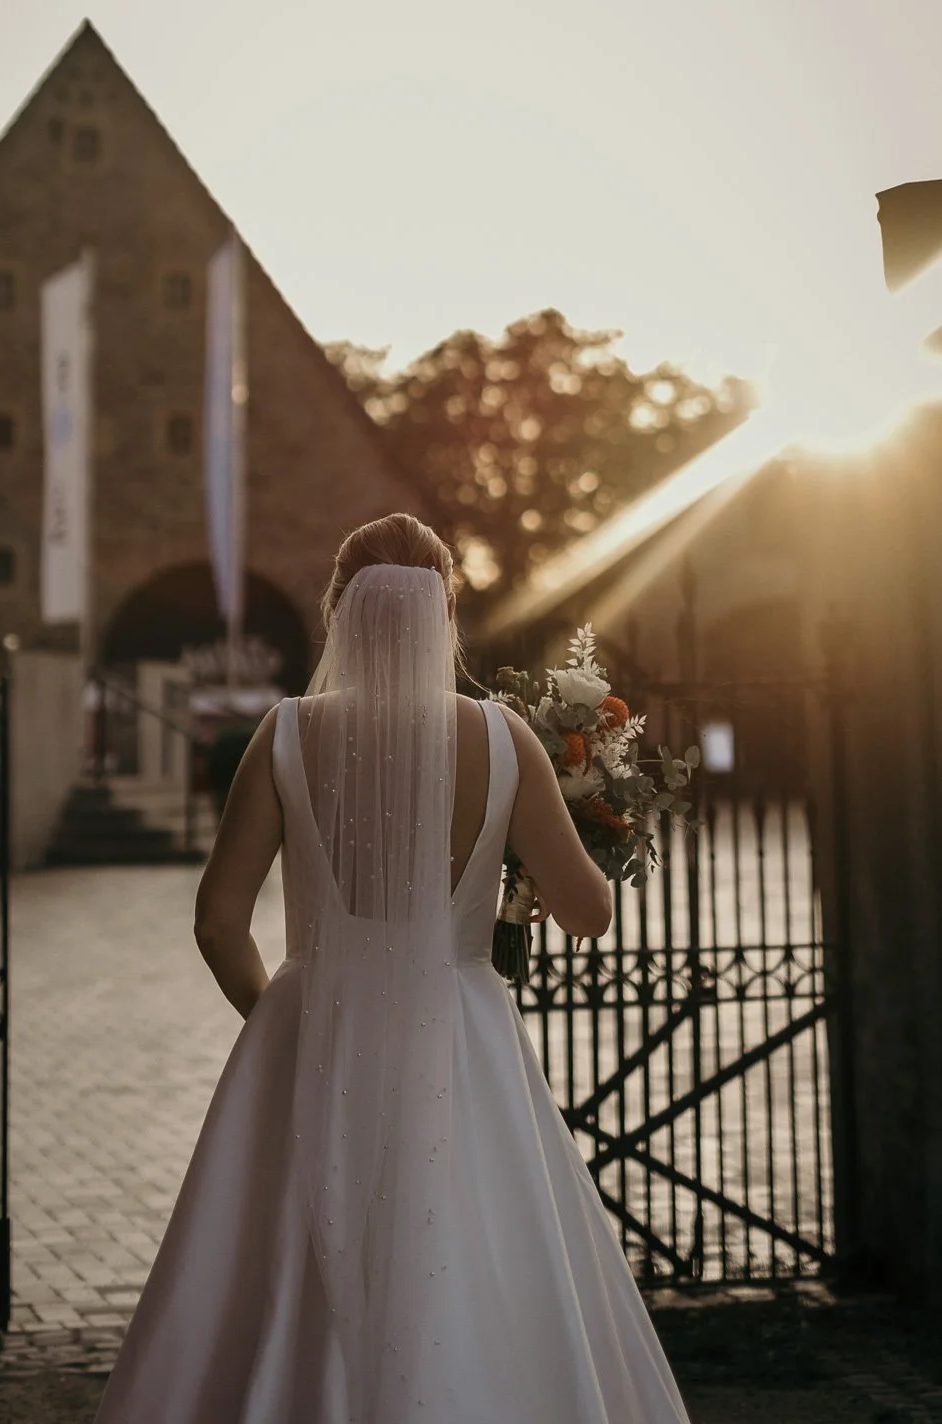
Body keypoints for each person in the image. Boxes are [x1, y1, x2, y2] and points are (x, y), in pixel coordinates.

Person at [93, 514, 691, 1423]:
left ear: (337, 612)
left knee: (284, 1265)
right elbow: (589, 913)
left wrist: (279, 1022)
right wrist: (550, 844)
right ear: (444, 613)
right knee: (465, 1242)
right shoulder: (502, 740)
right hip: (459, 1029)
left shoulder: (287, 733)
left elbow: (219, 923)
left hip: (311, 1028)